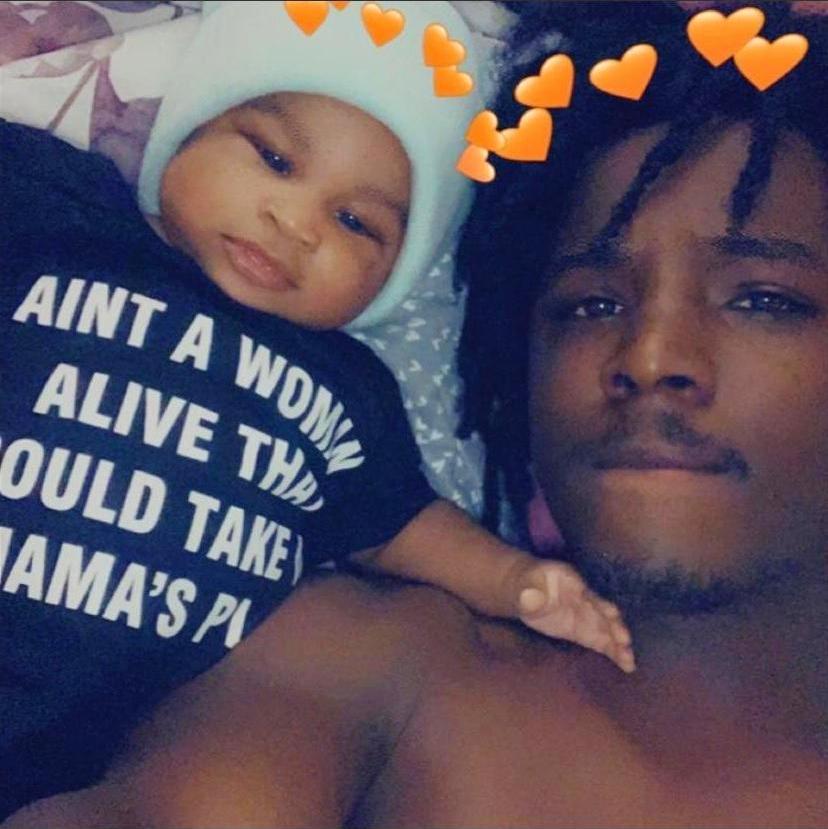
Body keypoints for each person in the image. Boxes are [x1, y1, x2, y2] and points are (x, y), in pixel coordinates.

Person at [6, 1, 827, 826]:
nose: (648, 357)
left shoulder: (349, 415)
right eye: (589, 304)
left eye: (765, 299)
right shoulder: (367, 669)